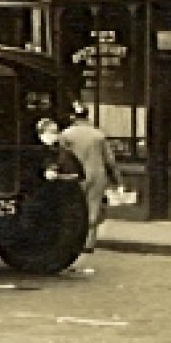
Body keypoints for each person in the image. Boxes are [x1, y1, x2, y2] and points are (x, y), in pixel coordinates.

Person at [60, 105, 124, 253]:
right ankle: (89, 243)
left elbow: (61, 157)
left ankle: (73, 241)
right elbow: (110, 161)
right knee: (93, 208)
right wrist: (118, 180)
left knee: (74, 207)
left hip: (75, 174)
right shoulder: (98, 135)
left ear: (73, 117)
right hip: (97, 174)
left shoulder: (66, 135)